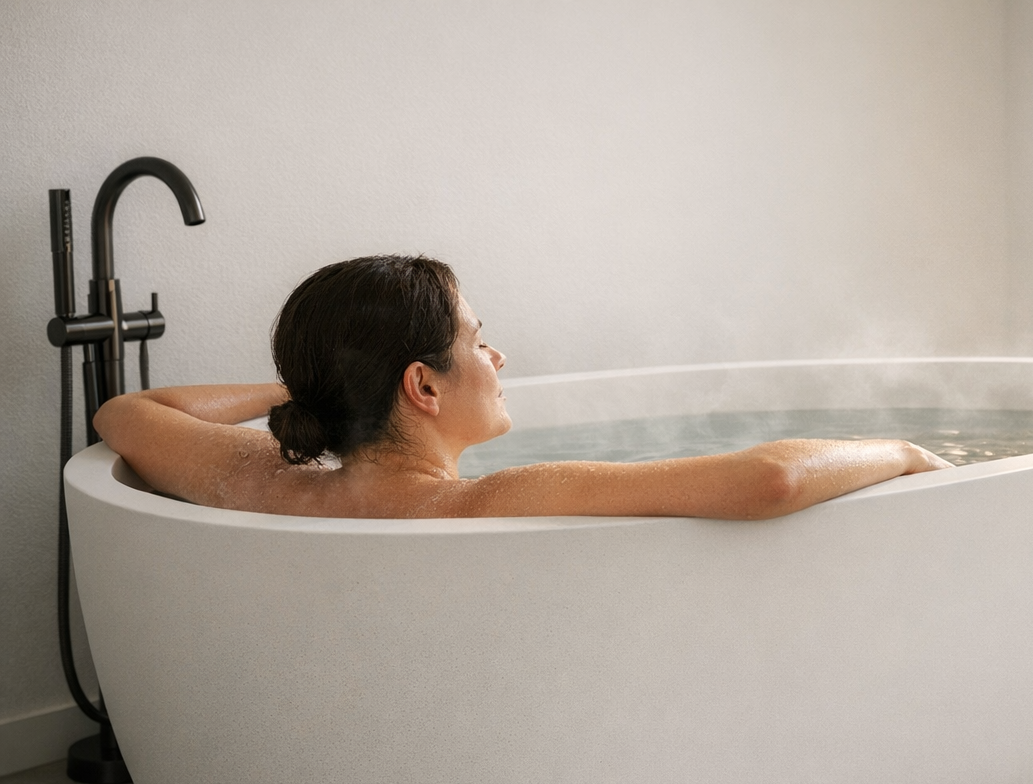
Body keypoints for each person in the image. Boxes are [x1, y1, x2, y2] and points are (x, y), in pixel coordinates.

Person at [94, 255, 952, 520]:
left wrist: (318, 383)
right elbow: (774, 480)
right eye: (477, 341)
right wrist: (906, 451)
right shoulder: (483, 505)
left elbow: (128, 411)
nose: (498, 359)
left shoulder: (261, 484)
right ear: (423, 386)